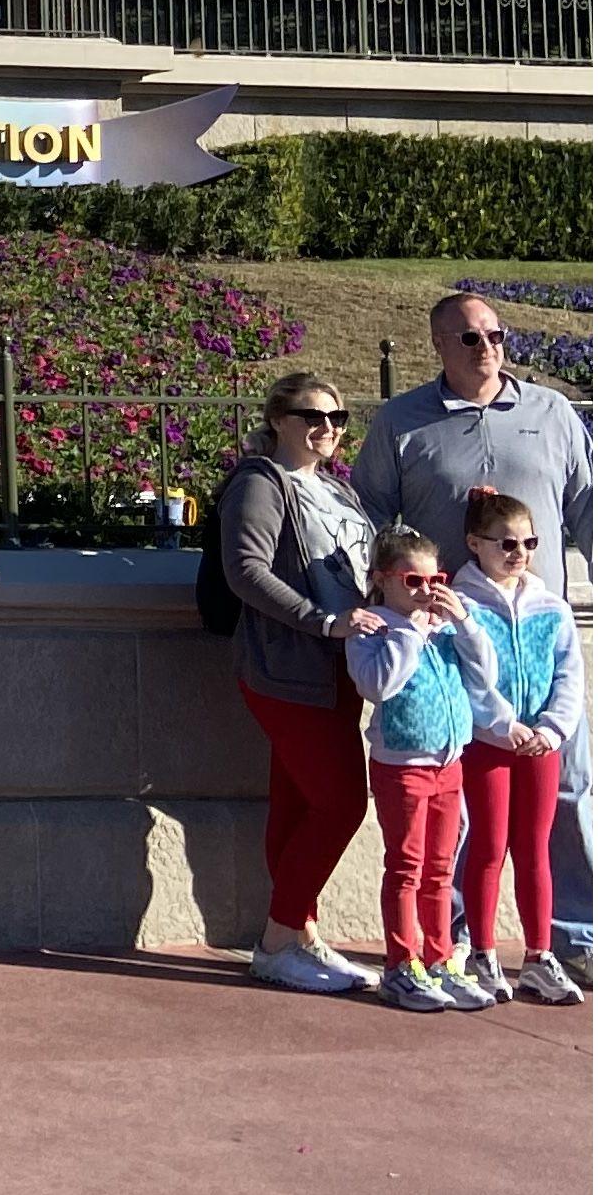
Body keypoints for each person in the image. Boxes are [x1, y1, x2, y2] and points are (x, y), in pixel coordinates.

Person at [354, 287, 596, 982]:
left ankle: (571, 936)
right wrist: (390, 599)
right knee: (459, 797)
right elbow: (369, 517)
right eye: (468, 337)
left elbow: (589, 506)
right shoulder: (403, 424)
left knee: (569, 784)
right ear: (439, 345)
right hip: (449, 639)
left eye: (494, 333)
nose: (485, 346)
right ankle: (451, 933)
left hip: (539, 633)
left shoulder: (551, 412)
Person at [212, 374, 383, 995]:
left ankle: (299, 932)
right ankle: (280, 938)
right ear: (279, 417)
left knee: (298, 803)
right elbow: (246, 572)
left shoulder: (336, 488)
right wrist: (323, 621)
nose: (328, 427)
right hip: (287, 667)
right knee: (341, 804)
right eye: (313, 414)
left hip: (341, 668)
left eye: (338, 417)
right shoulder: (262, 482)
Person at [350, 523, 516, 1012]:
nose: (426, 591)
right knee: (406, 866)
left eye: (434, 579)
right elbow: (378, 685)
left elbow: (487, 676)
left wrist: (464, 624)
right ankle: (401, 965)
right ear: (384, 579)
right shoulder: (373, 629)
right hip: (402, 765)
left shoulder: (445, 629)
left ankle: (440, 959)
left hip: (450, 762)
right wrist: (408, 635)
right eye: (412, 581)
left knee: (441, 869)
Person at [448, 491, 584, 1004]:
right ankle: (481, 950)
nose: (519, 552)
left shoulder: (551, 605)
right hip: (490, 743)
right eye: (507, 543)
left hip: (541, 746)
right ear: (475, 544)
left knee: (535, 849)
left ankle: (538, 954)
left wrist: (551, 729)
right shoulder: (464, 606)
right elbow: (471, 678)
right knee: (488, 845)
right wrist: (504, 726)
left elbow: (569, 674)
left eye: (529, 542)